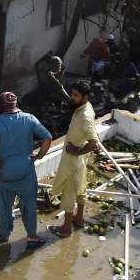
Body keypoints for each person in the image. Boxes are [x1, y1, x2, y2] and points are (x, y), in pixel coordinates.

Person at [0, 92, 52, 249]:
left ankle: (5, 233)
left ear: (0, 106)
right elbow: (47, 137)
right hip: (26, 171)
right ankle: (32, 237)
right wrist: (38, 156)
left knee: (4, 205)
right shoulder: (29, 118)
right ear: (16, 105)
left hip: (5, 173)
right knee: (29, 204)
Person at [49, 81, 100, 237]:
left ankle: (66, 228)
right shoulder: (84, 107)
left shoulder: (85, 116)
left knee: (69, 195)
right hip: (80, 161)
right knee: (80, 190)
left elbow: (94, 144)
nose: (72, 97)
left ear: (84, 97)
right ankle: (79, 219)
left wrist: (77, 151)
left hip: (73, 161)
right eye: (72, 94)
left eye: (76, 95)